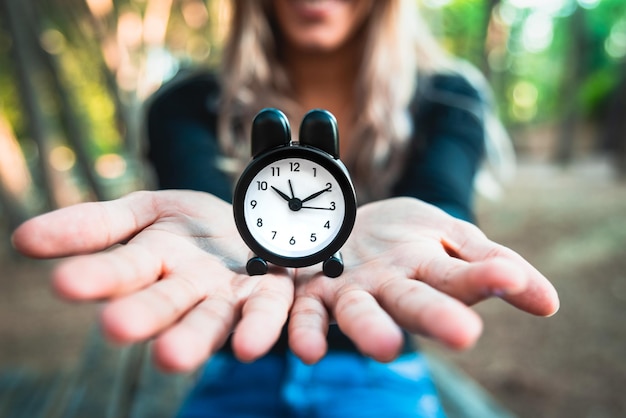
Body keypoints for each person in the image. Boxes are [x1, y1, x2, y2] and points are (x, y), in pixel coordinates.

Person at [11, 0, 559, 417]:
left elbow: (443, 200)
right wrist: (212, 237)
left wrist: (430, 230)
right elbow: (212, 212)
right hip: (234, 365)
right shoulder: (182, 103)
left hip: (378, 369)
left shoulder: (451, 98)